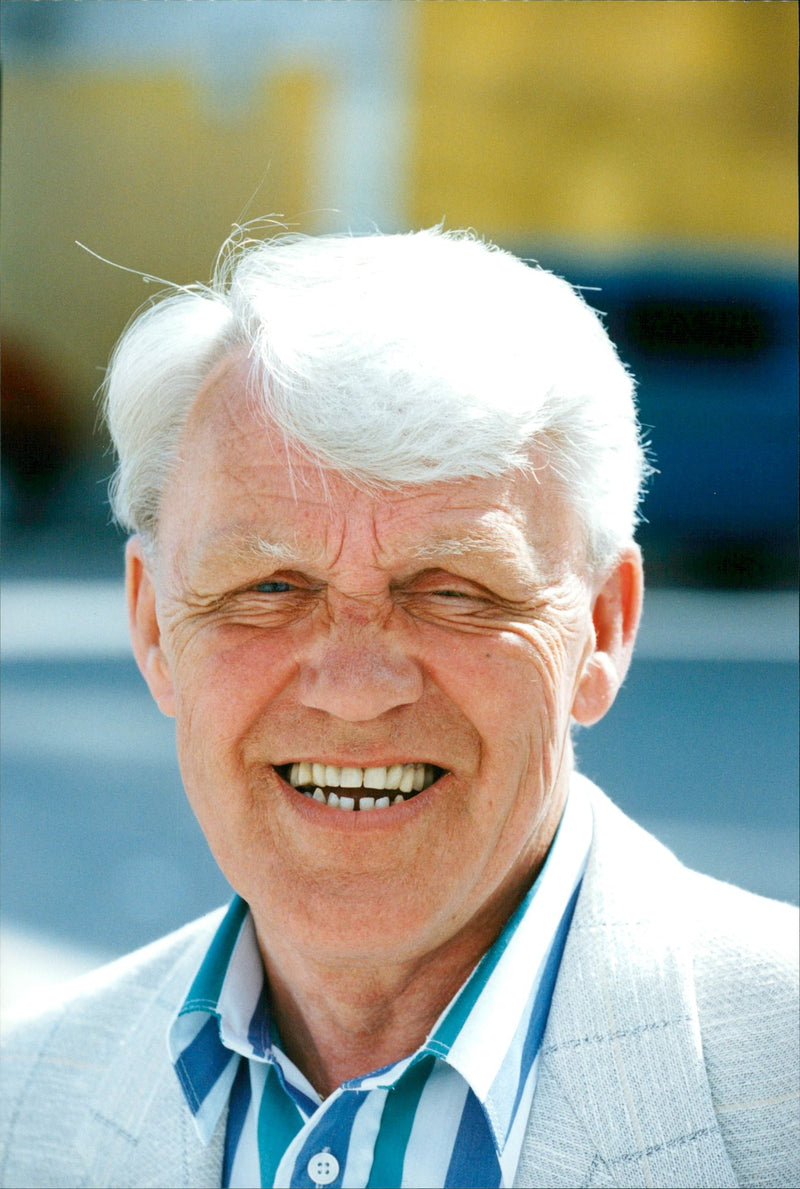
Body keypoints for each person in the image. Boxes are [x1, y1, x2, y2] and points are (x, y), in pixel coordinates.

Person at [1, 228, 796, 1189]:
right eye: (271, 586)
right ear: (153, 624)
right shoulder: (23, 1110)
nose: (356, 684)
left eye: (453, 587)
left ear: (603, 627)